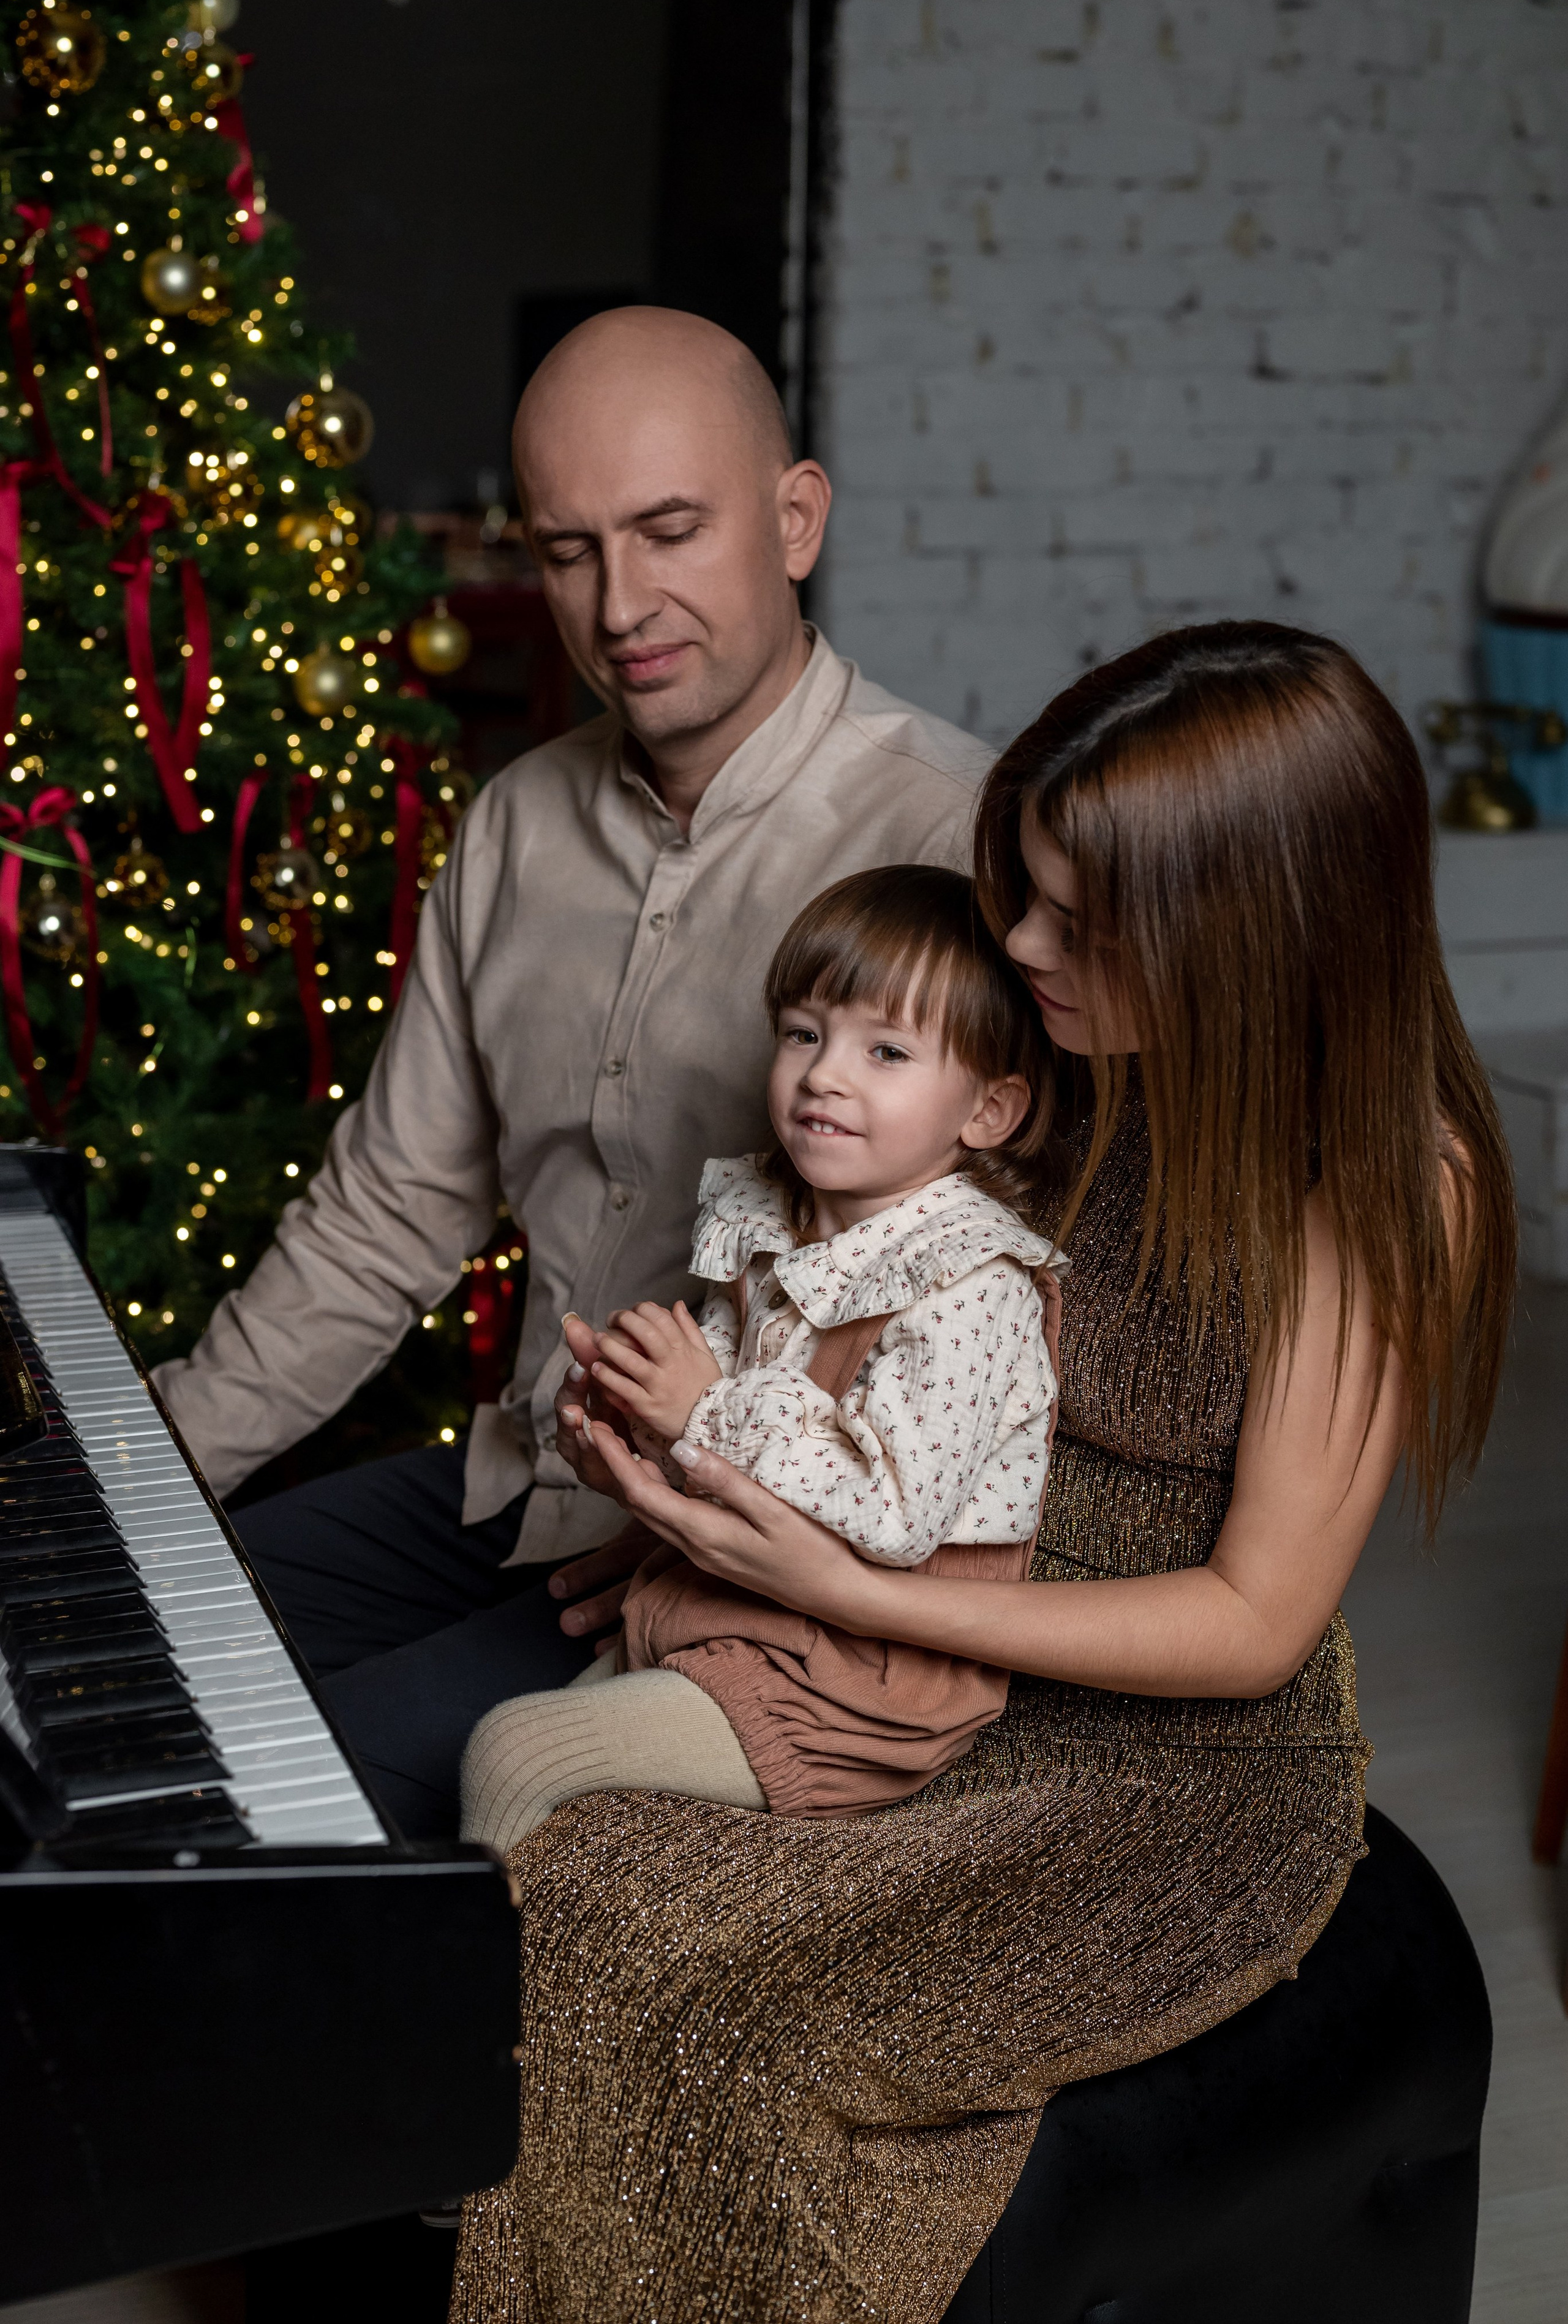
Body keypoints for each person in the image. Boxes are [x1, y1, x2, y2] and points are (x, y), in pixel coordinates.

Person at [448, 621, 1515, 2324]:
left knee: (726, 1999)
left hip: (1176, 1773)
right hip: (927, 1637)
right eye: (1022, 891)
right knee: (574, 1881)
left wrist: (837, 1585)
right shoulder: (1073, 1059)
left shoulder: (1389, 1172)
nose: (1021, 946)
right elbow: (892, 1343)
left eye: (1081, 923)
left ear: (1250, 930)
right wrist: (719, 1534)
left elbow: (1253, 1620)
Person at [149, 308, 992, 1839]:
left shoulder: (950, 846)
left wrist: (723, 1551)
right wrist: (153, 1465)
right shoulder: (514, 824)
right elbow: (384, 1211)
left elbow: (987, 1303)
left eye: (671, 530)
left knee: (274, 1795)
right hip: (519, 1479)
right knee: (135, 1633)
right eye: (566, 549)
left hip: (726, 1563)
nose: (619, 604)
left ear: (796, 519)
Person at [459, 866, 1066, 1849]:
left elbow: (893, 1517)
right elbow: (720, 1452)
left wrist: (703, 1408)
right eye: (803, 1032)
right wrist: (633, 1430)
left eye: (886, 1050)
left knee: (516, 1754)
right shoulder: (775, 1227)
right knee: (541, 1770)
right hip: (731, 1608)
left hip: (859, 1676)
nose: (826, 1072)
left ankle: (464, 1997)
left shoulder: (971, 1285)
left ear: (987, 1113)